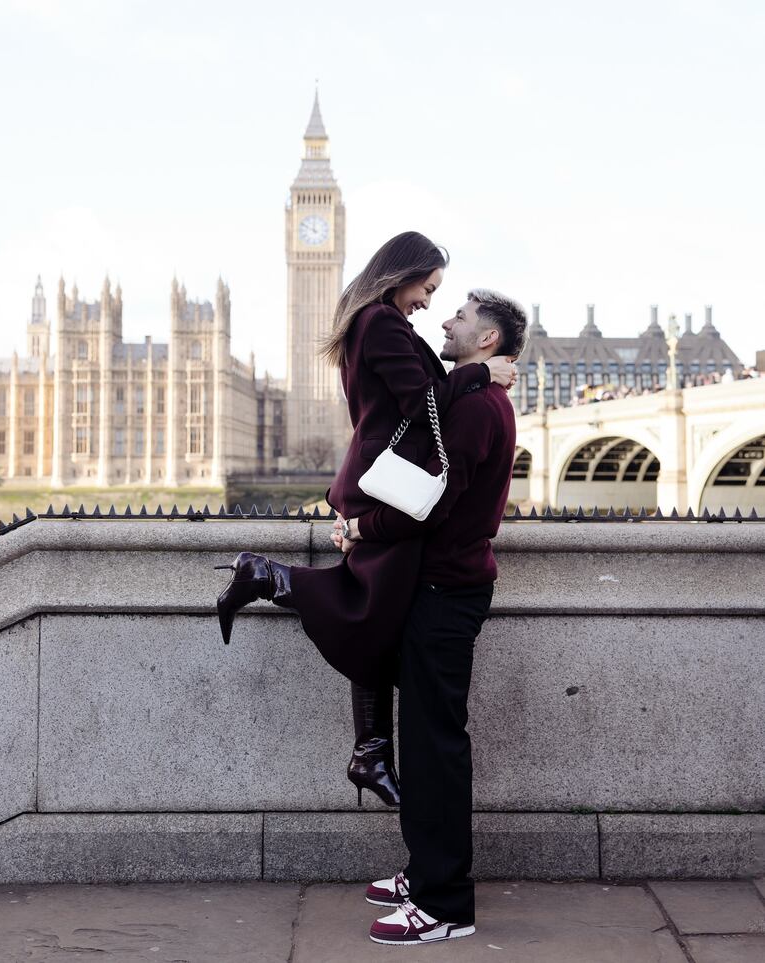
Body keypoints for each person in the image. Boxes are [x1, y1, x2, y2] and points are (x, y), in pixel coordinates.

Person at [213, 232, 517, 808]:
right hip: (390, 484)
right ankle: (264, 576)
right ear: (402, 273)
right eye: (428, 288)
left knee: (378, 614)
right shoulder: (380, 323)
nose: (428, 303)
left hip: (377, 479)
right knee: (369, 610)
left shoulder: (374, 321)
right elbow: (425, 403)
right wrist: (480, 376)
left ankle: (370, 751)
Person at [334, 289, 527, 945]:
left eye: (462, 316)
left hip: (447, 593)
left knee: (437, 750)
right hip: (442, 590)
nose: (445, 319)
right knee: (424, 744)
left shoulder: (476, 408)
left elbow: (431, 502)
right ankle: (426, 874)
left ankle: (445, 905)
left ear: (488, 342)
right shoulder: (474, 395)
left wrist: (362, 525)